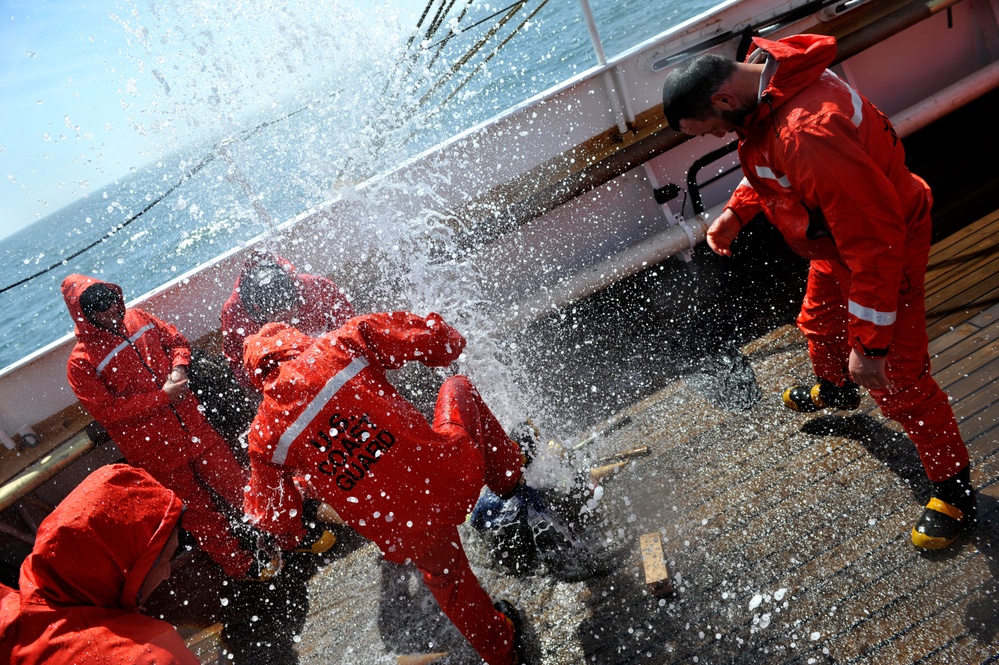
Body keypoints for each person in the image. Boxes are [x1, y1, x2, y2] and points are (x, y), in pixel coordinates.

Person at [661, 33, 974, 550]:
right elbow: (770, 158)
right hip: (833, 242)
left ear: (722, 99)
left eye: (708, 130)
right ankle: (836, 390)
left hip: (875, 250)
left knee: (899, 380)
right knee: (818, 322)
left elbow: (875, 239)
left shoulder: (807, 131)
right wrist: (738, 212)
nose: (711, 137)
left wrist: (871, 343)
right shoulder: (770, 82)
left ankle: (952, 487)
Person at [241, 312, 538, 665]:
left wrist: (298, 520)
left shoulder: (265, 434)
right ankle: (509, 482)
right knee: (458, 388)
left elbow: (273, 515)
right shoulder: (341, 344)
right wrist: (447, 346)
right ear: (295, 341)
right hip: (448, 473)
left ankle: (504, 652)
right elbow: (437, 338)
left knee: (448, 580)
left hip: (404, 523)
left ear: (257, 377)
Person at [61, 274, 277, 580]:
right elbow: (109, 413)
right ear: (84, 314)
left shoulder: (139, 318)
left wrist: (178, 369)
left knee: (239, 485)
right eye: (99, 307)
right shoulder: (80, 363)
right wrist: (163, 397)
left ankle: (281, 536)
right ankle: (240, 567)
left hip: (194, 427)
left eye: (110, 299)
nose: (110, 309)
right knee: (200, 516)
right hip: (156, 452)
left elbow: (176, 341)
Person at [0, 464, 199, 664]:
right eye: (165, 561)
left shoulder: (8, 612)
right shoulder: (147, 655)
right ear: (126, 572)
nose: (167, 573)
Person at [220, 252, 355, 390]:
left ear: (297, 297)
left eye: (292, 314)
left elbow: (350, 334)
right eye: (281, 321)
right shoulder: (236, 317)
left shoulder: (318, 288)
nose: (289, 325)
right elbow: (240, 367)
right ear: (259, 311)